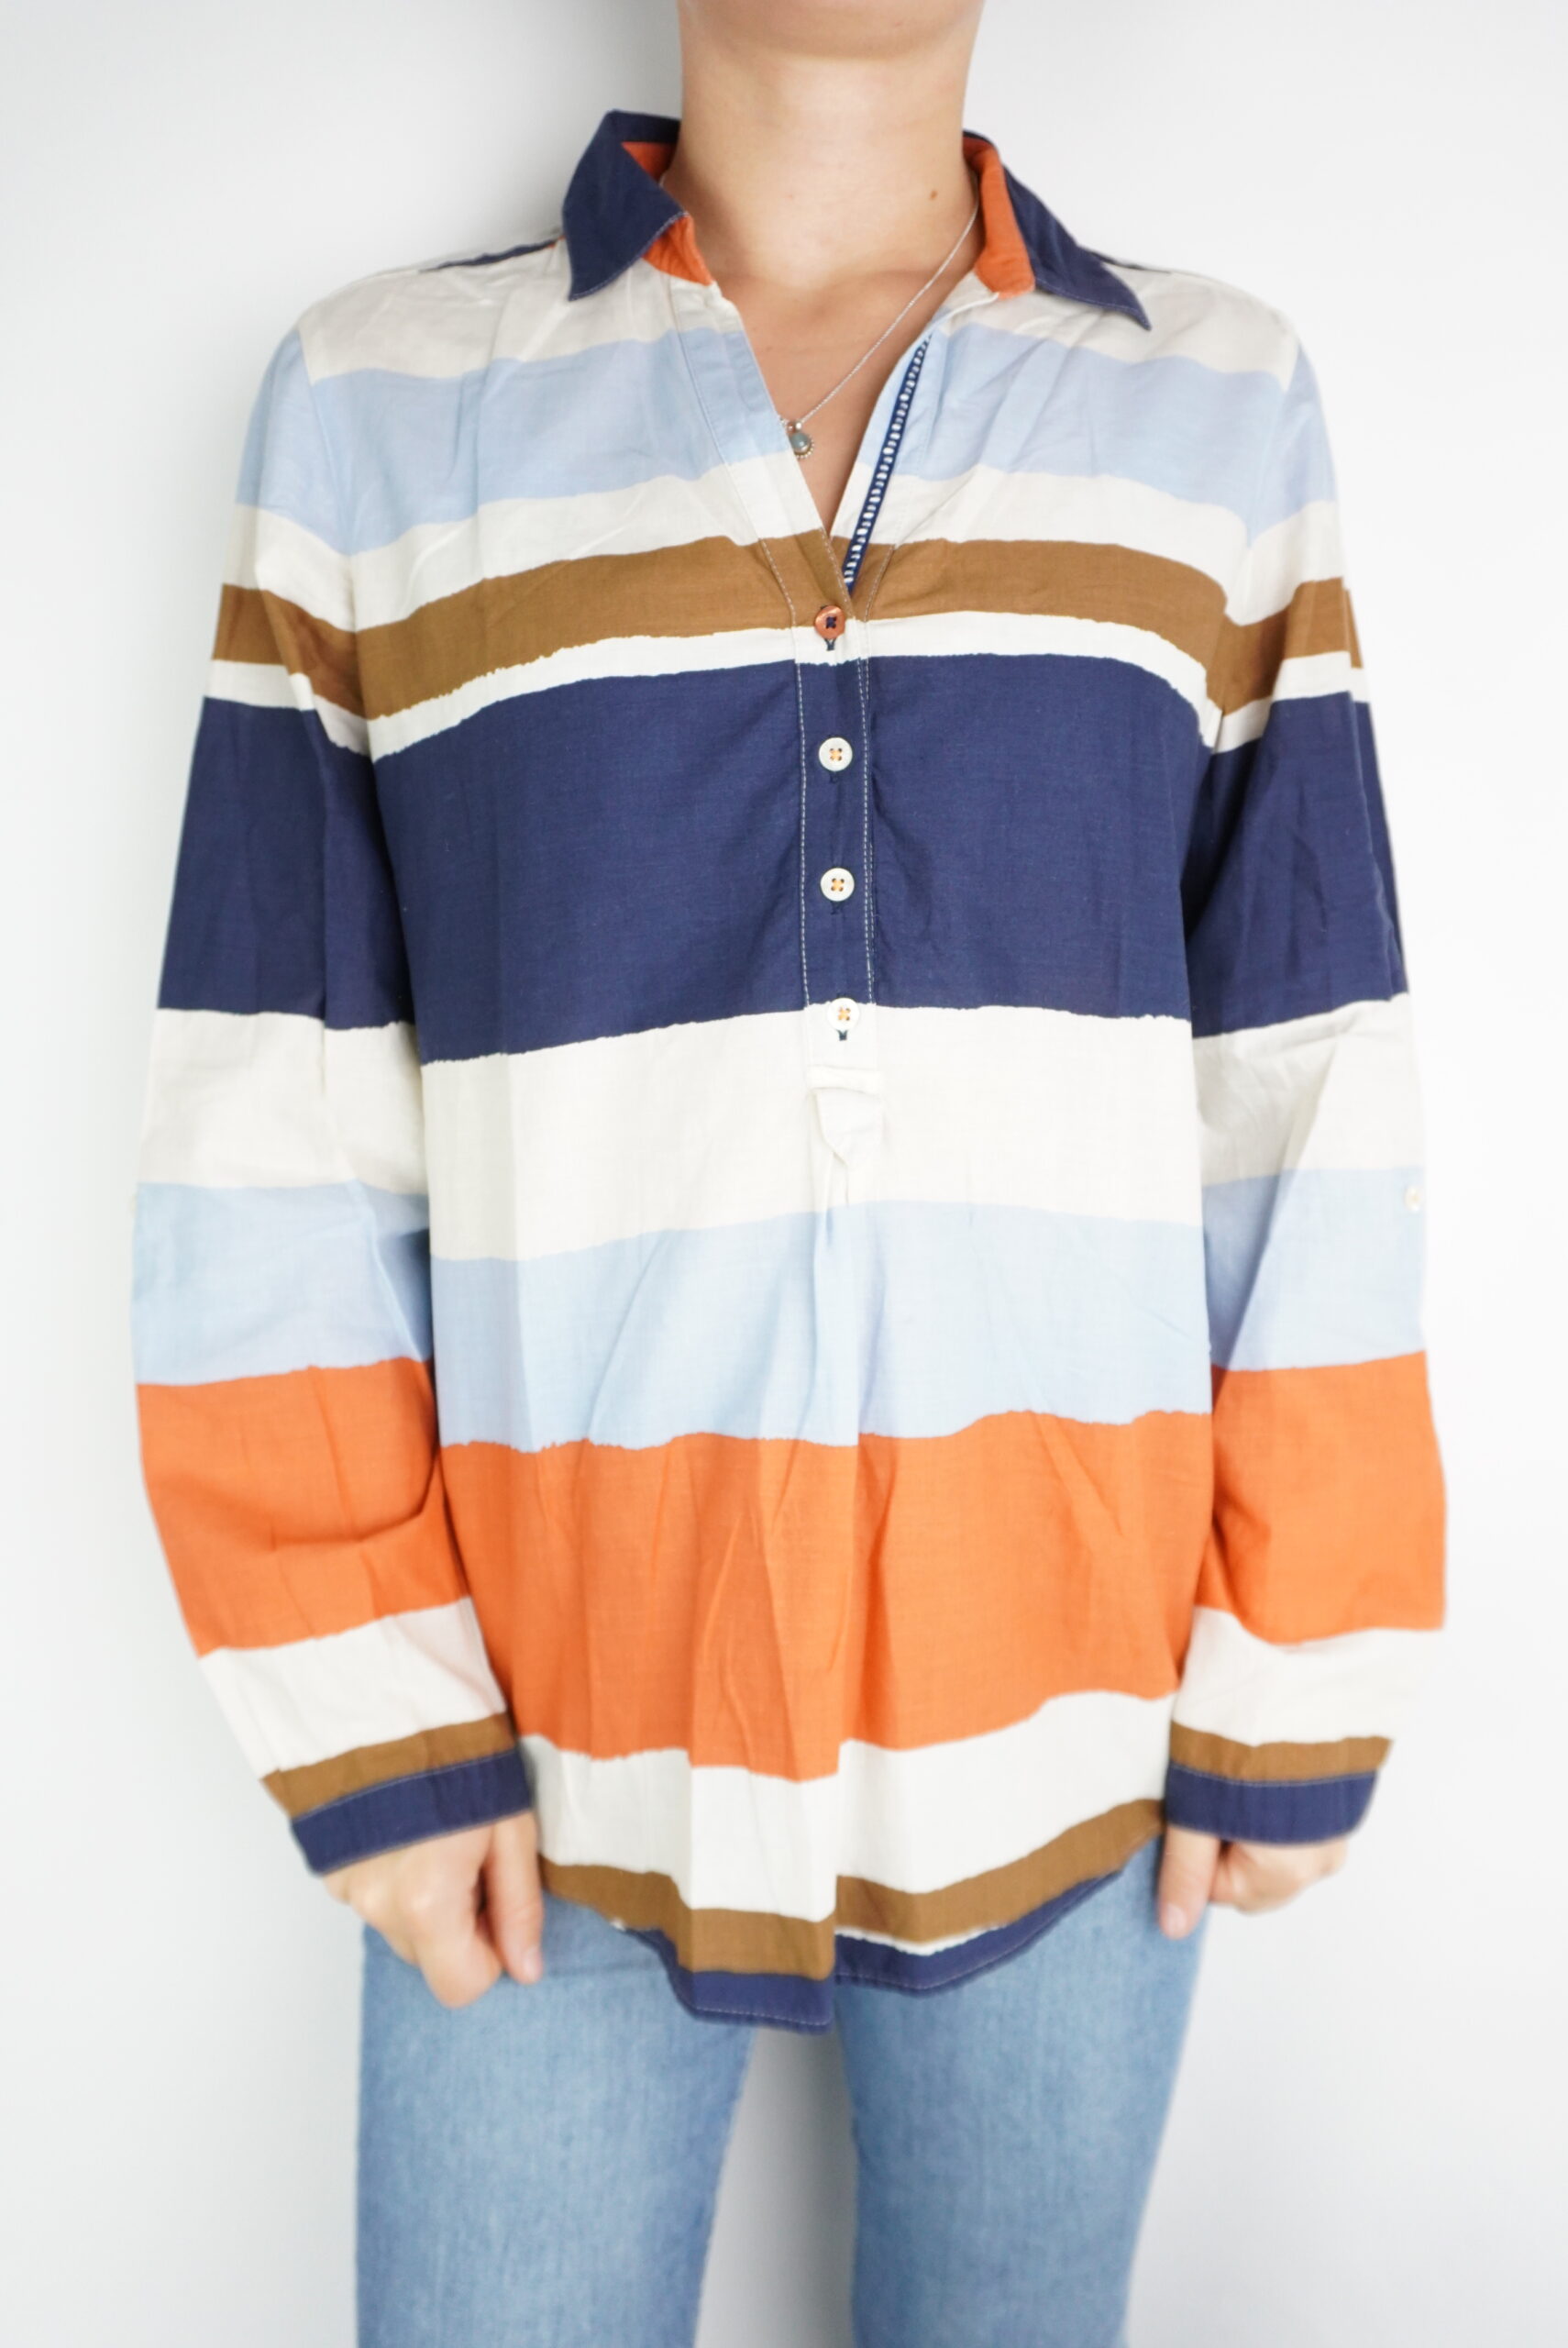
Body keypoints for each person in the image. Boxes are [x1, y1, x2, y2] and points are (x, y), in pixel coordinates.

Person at [131, 1, 1446, 2340]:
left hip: (1081, 1719)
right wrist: (366, 1704)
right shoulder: (379, 402)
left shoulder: (1217, 403)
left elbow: (1306, 1053)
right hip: (540, 1733)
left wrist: (1304, 1634)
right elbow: (270, 1102)